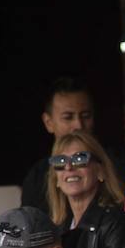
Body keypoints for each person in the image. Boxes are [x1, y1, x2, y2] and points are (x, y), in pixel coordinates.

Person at [42, 131, 125, 248]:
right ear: (56, 179)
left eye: (80, 159)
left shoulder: (118, 222)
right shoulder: (57, 228)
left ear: (100, 171)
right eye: (60, 161)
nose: (68, 167)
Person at [20, 77, 91, 211]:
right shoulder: (37, 178)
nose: (78, 125)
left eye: (86, 115)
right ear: (48, 122)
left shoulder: (114, 167)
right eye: (68, 117)